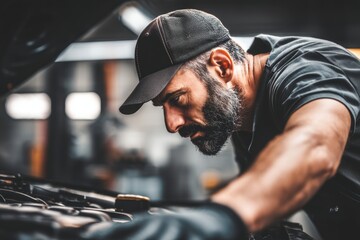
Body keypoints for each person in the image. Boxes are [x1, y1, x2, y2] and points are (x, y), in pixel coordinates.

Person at [112, 9, 360, 240]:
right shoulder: (241, 117)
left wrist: (219, 216)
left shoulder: (303, 72)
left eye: (177, 99)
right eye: (162, 107)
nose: (171, 124)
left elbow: (316, 145)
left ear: (222, 66)